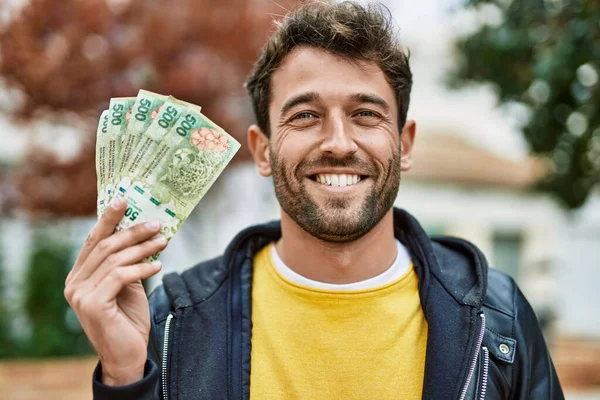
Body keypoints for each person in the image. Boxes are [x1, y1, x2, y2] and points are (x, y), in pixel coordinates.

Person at [64, 2, 564, 399]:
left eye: (366, 114)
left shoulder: (498, 317)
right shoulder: (174, 319)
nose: (339, 143)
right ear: (262, 150)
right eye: (304, 116)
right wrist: (127, 376)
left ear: (405, 144)